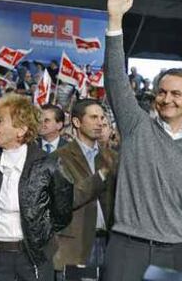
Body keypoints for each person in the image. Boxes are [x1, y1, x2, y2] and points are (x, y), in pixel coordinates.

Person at [103, 0, 182, 281]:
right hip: (127, 249)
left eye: (177, 94)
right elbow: (115, 79)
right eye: (162, 92)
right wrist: (115, 22)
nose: (167, 99)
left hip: (176, 253)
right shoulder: (137, 126)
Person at [0, 93, 73, 281]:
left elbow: (62, 212)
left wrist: (39, 235)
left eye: (0, 121)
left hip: (33, 257)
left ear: (21, 130)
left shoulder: (48, 165)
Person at [53, 99, 117, 278]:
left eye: (102, 117)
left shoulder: (112, 157)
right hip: (75, 248)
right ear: (76, 122)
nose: (100, 122)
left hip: (108, 244)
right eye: (94, 117)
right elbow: (67, 199)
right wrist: (101, 176)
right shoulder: (59, 157)